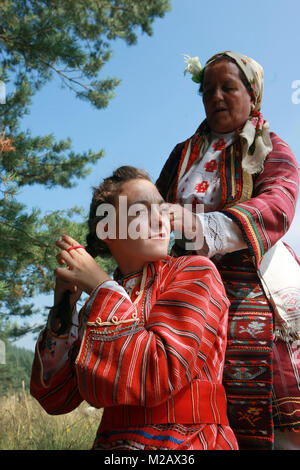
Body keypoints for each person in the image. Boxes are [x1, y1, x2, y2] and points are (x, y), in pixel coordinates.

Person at [30, 166, 238, 451]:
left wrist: (102, 288)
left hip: (188, 443)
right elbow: (54, 397)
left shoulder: (196, 273)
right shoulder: (97, 304)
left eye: (162, 208)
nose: (161, 217)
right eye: (142, 210)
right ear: (106, 229)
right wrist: (62, 314)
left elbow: (162, 370)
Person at [156, 51, 300, 450]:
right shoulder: (184, 154)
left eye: (228, 87)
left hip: (255, 278)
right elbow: (150, 208)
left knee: (272, 395)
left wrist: (203, 226)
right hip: (185, 283)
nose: (215, 97)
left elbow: (280, 201)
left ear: (253, 95)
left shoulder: (270, 146)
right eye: (207, 91)